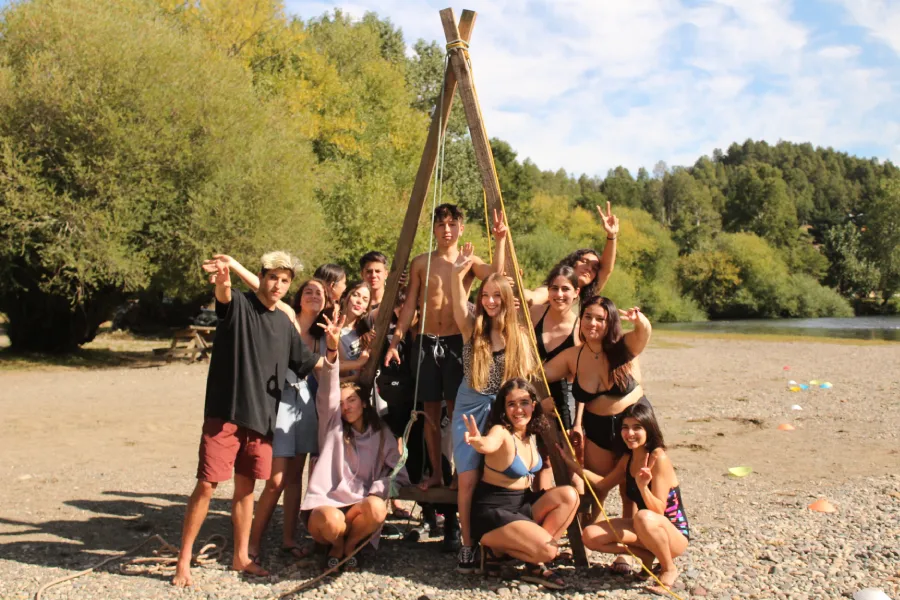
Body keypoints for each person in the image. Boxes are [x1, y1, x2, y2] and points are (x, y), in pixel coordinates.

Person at [172, 252, 327, 587]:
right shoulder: (239, 306)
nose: (278, 285)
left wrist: (342, 360)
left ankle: (241, 555)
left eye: (285, 281)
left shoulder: (285, 325)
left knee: (246, 489)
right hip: (225, 412)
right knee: (207, 484)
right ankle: (183, 560)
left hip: (262, 420)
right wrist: (225, 278)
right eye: (273, 277)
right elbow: (224, 296)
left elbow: (311, 363)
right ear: (262, 276)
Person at [384, 204, 507, 500]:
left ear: (461, 229)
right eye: (441, 224)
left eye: (452, 224)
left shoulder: (469, 261)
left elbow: (498, 277)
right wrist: (395, 340)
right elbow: (411, 304)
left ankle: (459, 471)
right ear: (434, 229)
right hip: (426, 341)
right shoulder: (420, 263)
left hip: (456, 342)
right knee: (429, 412)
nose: (447, 230)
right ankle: (437, 471)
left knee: (457, 412)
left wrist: (500, 240)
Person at [449, 243, 538, 573]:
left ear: (505, 300)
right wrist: (460, 273)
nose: (489, 301)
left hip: (502, 411)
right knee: (469, 479)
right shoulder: (472, 327)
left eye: (496, 296)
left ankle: (510, 538)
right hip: (469, 408)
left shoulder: (519, 336)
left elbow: (525, 381)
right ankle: (468, 545)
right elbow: (458, 300)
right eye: (485, 295)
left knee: (508, 474)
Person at [301, 307, 410, 572]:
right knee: (333, 522)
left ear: (363, 402)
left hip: (359, 507)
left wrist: (379, 488)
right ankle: (337, 545)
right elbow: (328, 386)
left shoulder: (381, 433)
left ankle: (348, 549)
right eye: (341, 403)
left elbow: (399, 473)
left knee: (376, 508)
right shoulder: (332, 424)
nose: (345, 407)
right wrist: (331, 349)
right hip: (328, 506)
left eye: (351, 400)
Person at [559, 402, 690, 594]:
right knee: (590, 535)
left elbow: (659, 511)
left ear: (649, 429)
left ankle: (668, 567)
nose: (629, 433)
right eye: (625, 427)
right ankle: (645, 556)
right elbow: (604, 484)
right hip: (644, 528)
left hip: (672, 533)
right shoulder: (628, 458)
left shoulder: (657, 457)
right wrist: (574, 465)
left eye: (637, 428)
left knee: (643, 516)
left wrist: (643, 487)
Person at [464, 378, 579, 589]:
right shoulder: (501, 431)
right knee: (549, 551)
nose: (518, 409)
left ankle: (531, 558)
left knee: (569, 496)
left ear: (533, 405)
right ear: (503, 408)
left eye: (524, 402)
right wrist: (478, 442)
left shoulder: (529, 432)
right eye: (511, 404)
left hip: (522, 504)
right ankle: (498, 548)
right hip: (493, 511)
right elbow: (489, 444)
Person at [248, 278, 330, 561]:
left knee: (295, 477)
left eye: (319, 293)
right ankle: (252, 543)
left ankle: (288, 539)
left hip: (307, 404)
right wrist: (234, 266)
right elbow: (262, 287)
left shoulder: (324, 335)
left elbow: (328, 370)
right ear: (298, 297)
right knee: (276, 479)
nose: (313, 296)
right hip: (281, 399)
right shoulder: (287, 318)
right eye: (307, 291)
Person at [526, 203, 619, 307]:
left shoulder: (586, 301)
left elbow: (606, 269)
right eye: (585, 262)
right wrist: (513, 288)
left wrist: (612, 235)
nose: (589, 268)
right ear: (573, 263)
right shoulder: (553, 290)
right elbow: (533, 298)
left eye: (594, 268)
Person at [337, 281, 372, 383]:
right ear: (345, 297)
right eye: (356, 295)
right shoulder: (331, 327)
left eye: (365, 300)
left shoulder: (365, 333)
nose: (359, 301)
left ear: (366, 309)